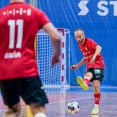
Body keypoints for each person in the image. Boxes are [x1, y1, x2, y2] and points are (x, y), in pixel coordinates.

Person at [0, 0, 61, 117]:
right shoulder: (35, 12)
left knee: (12, 110)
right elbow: (56, 36)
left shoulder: (1, 14)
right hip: (26, 68)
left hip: (5, 71)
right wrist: (56, 54)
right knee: (38, 108)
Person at [71, 28, 104, 115]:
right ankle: (85, 83)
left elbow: (99, 47)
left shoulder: (89, 41)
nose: (78, 39)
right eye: (76, 37)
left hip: (98, 64)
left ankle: (96, 107)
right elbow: (86, 58)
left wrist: (94, 57)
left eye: (80, 36)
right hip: (89, 65)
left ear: (83, 35)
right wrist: (77, 66)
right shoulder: (80, 46)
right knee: (87, 74)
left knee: (96, 86)